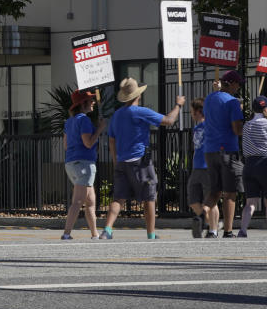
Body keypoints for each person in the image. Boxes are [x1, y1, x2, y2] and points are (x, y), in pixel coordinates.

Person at [100, 77, 184, 240]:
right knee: (149, 196)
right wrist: (178, 105)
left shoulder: (117, 115)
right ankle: (151, 233)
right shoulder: (140, 112)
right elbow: (168, 120)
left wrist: (115, 160)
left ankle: (107, 230)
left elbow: (111, 140)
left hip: (122, 162)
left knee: (119, 198)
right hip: (140, 161)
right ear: (137, 95)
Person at [202, 70, 245, 238]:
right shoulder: (233, 102)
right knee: (230, 192)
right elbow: (237, 129)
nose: (238, 87)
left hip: (210, 149)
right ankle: (228, 230)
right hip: (227, 149)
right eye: (238, 84)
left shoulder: (209, 98)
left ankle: (201, 215)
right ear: (232, 83)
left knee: (215, 191)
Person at [60, 89, 107, 240]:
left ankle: (95, 234)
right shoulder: (84, 120)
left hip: (71, 163)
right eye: (90, 100)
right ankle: (66, 233)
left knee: (90, 200)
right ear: (83, 104)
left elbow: (66, 145)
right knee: (78, 201)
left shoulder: (69, 122)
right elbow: (88, 143)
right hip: (85, 164)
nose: (93, 102)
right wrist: (99, 129)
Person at [187, 97, 217, 238]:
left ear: (199, 112)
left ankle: (213, 230)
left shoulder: (209, 125)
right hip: (196, 166)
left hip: (207, 166)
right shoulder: (196, 127)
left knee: (210, 199)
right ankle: (203, 219)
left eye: (192, 111)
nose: (191, 114)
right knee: (193, 200)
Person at [239, 95, 267, 237]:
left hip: (249, 165)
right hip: (264, 162)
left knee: (250, 202)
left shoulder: (246, 125)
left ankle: (243, 230)